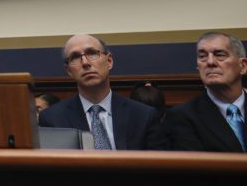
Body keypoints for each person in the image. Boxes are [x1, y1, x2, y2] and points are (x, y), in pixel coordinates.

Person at [38, 34, 168, 150]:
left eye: (92, 53)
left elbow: (160, 169)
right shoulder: (52, 119)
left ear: (109, 61)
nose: (85, 62)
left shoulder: (143, 116)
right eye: (75, 57)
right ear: (69, 71)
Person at [164, 31, 247, 152]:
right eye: (202, 56)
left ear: (243, 66)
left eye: (220, 55)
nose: (210, 62)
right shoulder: (183, 116)